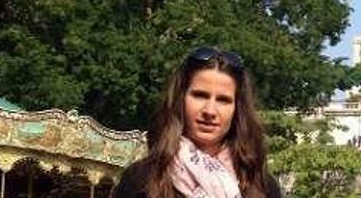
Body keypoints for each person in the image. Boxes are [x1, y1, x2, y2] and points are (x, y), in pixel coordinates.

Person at [114, 46, 282, 198]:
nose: (210, 111)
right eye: (200, 95)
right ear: (181, 99)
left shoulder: (262, 186)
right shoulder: (141, 180)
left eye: (223, 100)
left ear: (237, 109)